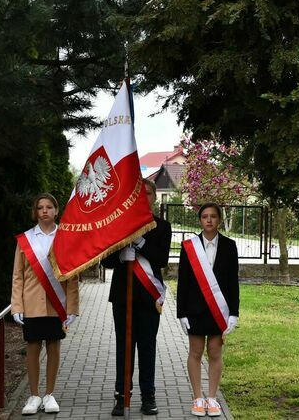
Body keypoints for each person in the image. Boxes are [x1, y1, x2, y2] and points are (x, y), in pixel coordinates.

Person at [102, 178, 172, 416]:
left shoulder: (162, 226)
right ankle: (122, 397)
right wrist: (121, 255)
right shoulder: (120, 225)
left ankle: (148, 396)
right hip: (123, 296)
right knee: (124, 346)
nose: (145, 197)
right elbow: (105, 259)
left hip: (149, 297)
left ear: (153, 198)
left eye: (149, 194)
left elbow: (162, 259)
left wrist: (141, 243)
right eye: (139, 194)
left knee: (147, 346)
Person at [11, 193, 79, 415]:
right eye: (40, 207)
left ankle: (49, 394)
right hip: (31, 303)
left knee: (53, 347)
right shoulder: (25, 240)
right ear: (35, 212)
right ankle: (33, 395)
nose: (45, 211)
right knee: (32, 348)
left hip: (55, 302)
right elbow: (18, 276)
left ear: (56, 211)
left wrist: (72, 308)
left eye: (49, 207)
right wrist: (17, 306)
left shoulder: (66, 237)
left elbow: (72, 275)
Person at [177, 202, 240, 417]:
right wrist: (181, 313)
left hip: (218, 311)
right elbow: (182, 281)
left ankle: (212, 398)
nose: (209, 220)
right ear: (200, 220)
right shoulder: (189, 247)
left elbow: (233, 283)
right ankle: (197, 398)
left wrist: (233, 313)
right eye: (205, 216)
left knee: (214, 352)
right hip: (194, 310)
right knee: (195, 352)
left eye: (213, 216)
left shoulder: (230, 246)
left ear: (219, 219)